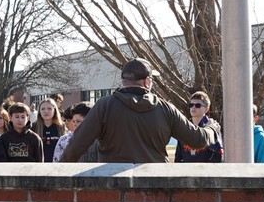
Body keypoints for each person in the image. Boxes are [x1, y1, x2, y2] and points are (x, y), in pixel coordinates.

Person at [62, 58, 220, 163]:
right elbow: (198, 139)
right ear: (147, 81)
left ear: (124, 81)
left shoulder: (104, 106)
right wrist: (212, 127)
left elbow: (76, 146)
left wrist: (58, 173)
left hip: (113, 187)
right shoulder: (165, 109)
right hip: (154, 188)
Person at [175, 91, 224, 163]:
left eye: (198, 105)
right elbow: (178, 156)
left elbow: (218, 154)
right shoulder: (185, 127)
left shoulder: (212, 127)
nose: (193, 107)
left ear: (206, 109)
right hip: (186, 171)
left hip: (206, 172)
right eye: (191, 105)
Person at [33, 98, 66, 162]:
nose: (46, 111)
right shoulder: (33, 127)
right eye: (43, 109)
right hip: (39, 164)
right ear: (39, 111)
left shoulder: (62, 127)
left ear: (55, 110)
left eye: (49, 108)